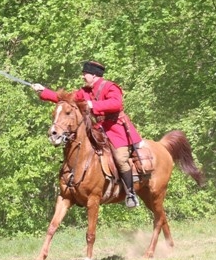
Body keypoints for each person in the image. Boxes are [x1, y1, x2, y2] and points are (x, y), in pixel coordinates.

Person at [31, 61, 142, 208]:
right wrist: (43, 91)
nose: (83, 77)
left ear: (94, 75)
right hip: (99, 128)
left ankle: (131, 194)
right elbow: (65, 99)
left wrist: (92, 105)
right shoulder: (84, 91)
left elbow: (116, 104)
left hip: (116, 129)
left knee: (121, 159)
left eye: (85, 74)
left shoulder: (110, 87)